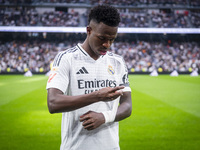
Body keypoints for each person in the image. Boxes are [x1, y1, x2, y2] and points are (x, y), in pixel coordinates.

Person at [46, 5, 132, 150]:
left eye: (112, 39)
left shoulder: (117, 62)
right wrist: (97, 95)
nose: (107, 44)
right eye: (102, 38)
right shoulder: (67, 58)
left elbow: (127, 106)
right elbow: (53, 103)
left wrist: (104, 117)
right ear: (89, 30)